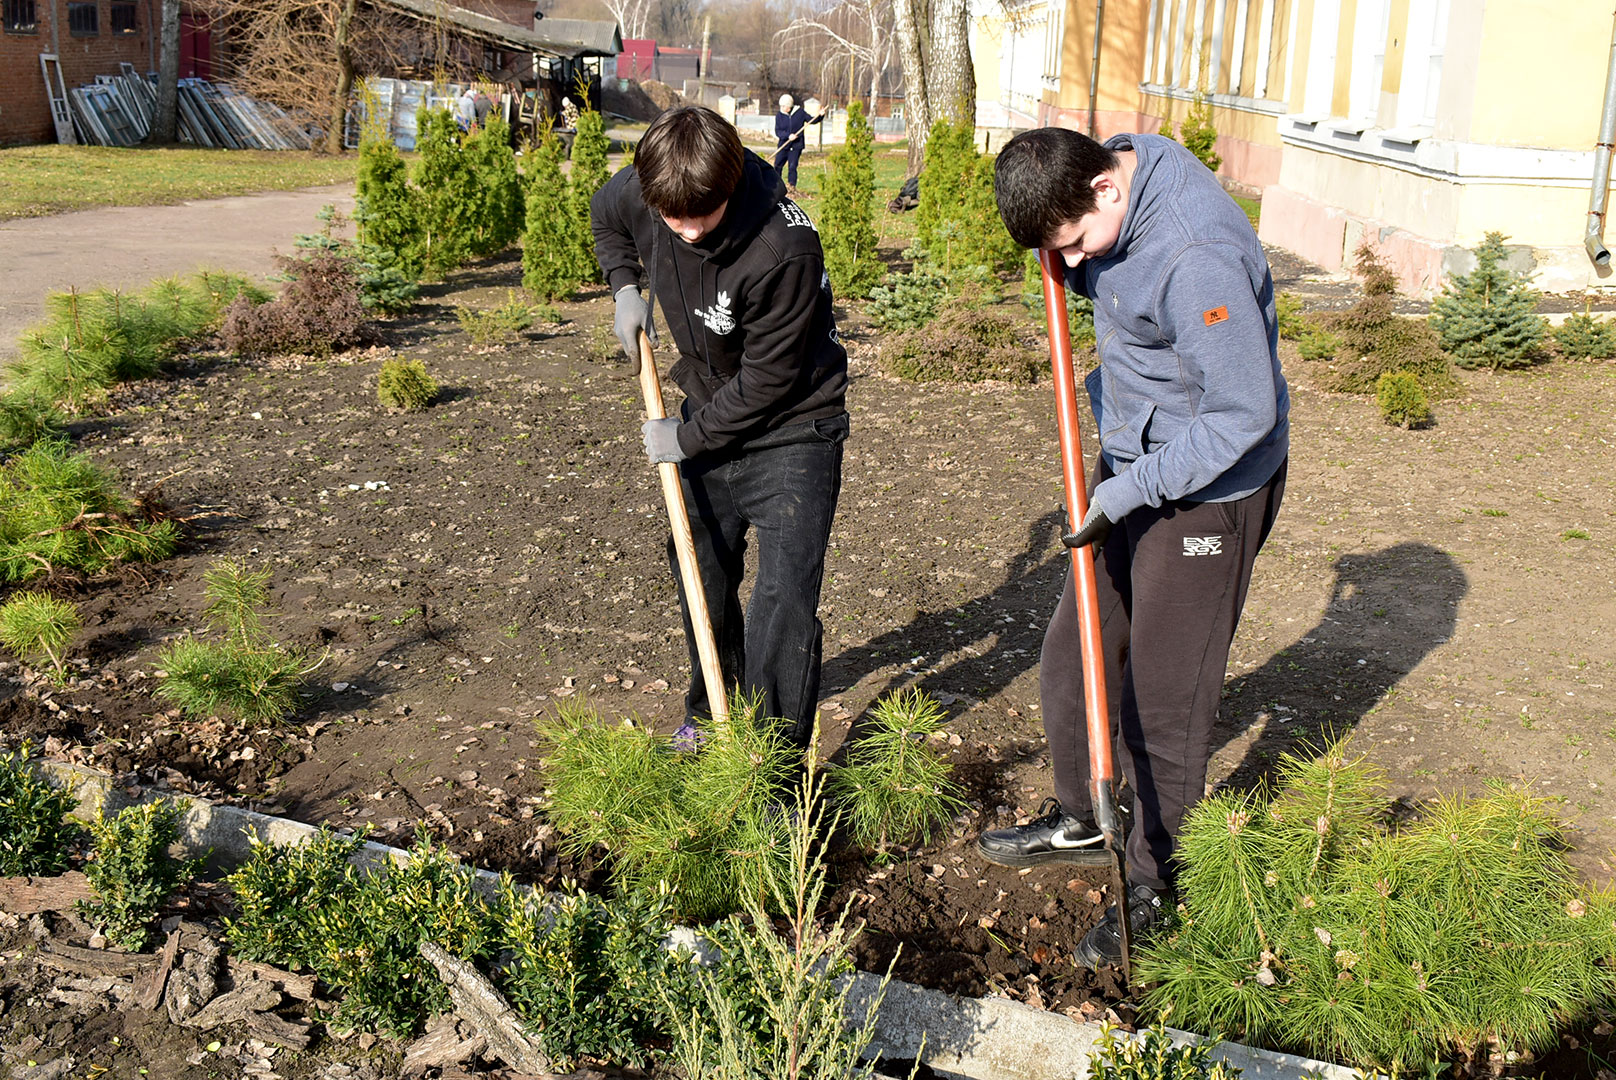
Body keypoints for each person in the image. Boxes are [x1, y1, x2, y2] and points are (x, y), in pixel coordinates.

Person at [976, 127, 1289, 970]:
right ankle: (1085, 816)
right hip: (1137, 460)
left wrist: (1122, 489)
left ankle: (1154, 880)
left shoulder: (1197, 257)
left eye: (1073, 244)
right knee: (1072, 655)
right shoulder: (1105, 166)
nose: (1069, 265)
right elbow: (1091, 261)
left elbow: (1242, 414)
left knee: (1164, 696)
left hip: (1206, 491)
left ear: (1107, 193)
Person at [590, 105, 850, 754]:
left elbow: (768, 383)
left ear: (729, 188)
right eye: (668, 216)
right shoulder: (655, 192)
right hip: (707, 408)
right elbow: (607, 214)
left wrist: (684, 440)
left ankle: (771, 763)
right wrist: (625, 287)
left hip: (794, 427)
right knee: (701, 579)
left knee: (782, 605)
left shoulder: (782, 245)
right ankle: (709, 718)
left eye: (698, 216)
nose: (682, 230)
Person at [773, 94, 822, 192]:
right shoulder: (779, 115)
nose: (782, 108)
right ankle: (776, 185)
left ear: (789, 106)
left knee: (792, 166)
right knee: (777, 165)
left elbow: (812, 120)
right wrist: (788, 136)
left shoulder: (799, 113)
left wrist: (821, 115)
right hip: (784, 144)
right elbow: (778, 131)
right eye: (781, 106)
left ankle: (792, 186)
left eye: (784, 106)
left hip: (796, 146)